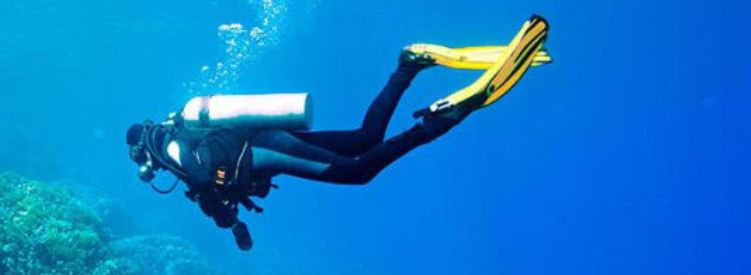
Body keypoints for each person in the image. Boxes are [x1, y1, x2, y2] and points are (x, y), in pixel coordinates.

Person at [126, 15, 551, 250]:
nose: (148, 171)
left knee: (357, 171)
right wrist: (233, 223)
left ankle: (441, 120)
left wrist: (220, 213)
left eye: (141, 165)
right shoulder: (177, 131)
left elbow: (202, 180)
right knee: (364, 138)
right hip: (262, 142)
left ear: (141, 151)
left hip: (261, 152)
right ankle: (407, 66)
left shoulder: (169, 147)